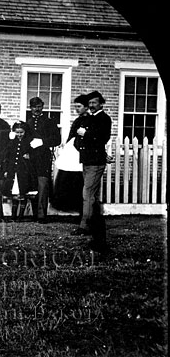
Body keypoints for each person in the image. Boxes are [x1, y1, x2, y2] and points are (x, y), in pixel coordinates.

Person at [71, 91, 112, 253]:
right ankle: (92, 222)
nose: (92, 105)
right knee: (91, 194)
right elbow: (79, 138)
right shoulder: (89, 118)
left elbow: (103, 138)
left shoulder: (104, 118)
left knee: (87, 193)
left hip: (95, 162)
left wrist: (86, 133)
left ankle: (85, 225)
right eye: (91, 103)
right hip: (87, 160)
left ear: (101, 103)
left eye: (95, 102)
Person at [52, 94, 90, 214]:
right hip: (72, 153)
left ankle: (82, 211)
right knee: (67, 180)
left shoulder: (91, 120)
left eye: (79, 106)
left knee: (80, 183)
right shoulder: (77, 121)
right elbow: (71, 136)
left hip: (83, 154)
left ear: (86, 107)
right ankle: (71, 208)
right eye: (75, 106)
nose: (77, 109)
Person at [27, 97, 61, 223]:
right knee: (33, 186)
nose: (37, 109)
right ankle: (35, 213)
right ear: (30, 108)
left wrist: (43, 142)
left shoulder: (49, 122)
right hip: (30, 159)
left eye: (39, 106)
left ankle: (41, 215)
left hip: (43, 158)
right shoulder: (28, 122)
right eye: (34, 106)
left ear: (43, 107)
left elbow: (57, 139)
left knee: (42, 185)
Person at [2, 121, 36, 221]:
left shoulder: (29, 142)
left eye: (21, 132)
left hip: (24, 171)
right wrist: (6, 170)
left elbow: (35, 155)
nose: (19, 135)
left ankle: (20, 216)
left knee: (23, 193)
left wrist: (30, 156)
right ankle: (13, 215)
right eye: (17, 132)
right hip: (13, 171)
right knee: (14, 193)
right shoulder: (12, 142)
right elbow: (8, 157)